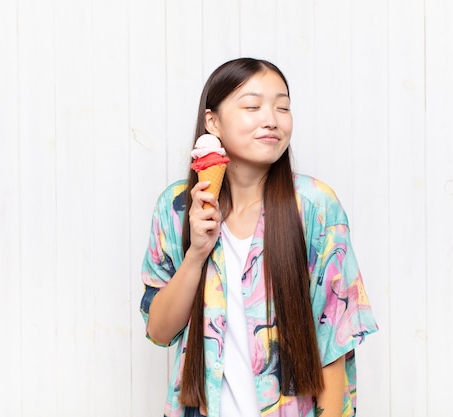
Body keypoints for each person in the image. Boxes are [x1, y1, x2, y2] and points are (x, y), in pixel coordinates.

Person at [140, 57, 378, 417]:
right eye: (252, 106)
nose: (271, 119)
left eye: (282, 107)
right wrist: (197, 253)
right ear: (212, 122)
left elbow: (335, 339)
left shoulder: (315, 207)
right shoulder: (176, 208)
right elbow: (159, 331)